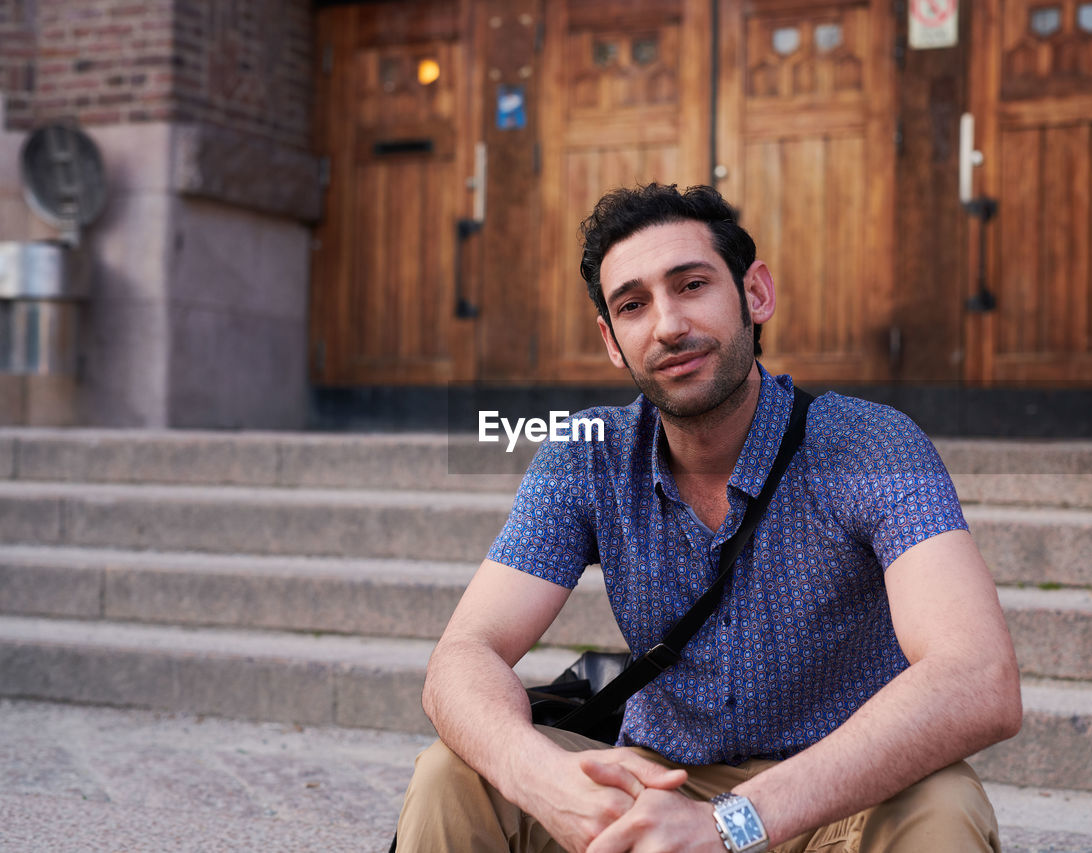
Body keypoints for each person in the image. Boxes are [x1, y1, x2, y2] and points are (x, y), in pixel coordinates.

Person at [395, 183, 1022, 852]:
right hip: (657, 785)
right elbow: (464, 655)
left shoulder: (870, 445)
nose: (667, 325)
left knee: (944, 807)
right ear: (612, 341)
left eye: (691, 285)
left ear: (755, 295)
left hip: (833, 795)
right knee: (450, 775)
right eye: (633, 305)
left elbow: (978, 676)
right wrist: (542, 776)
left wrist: (729, 820)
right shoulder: (589, 454)